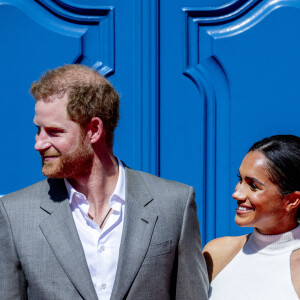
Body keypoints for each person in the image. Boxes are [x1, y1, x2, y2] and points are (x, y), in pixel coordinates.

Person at [0, 64, 208, 300]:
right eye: (38, 130)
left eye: (54, 131)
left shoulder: (173, 205)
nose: (39, 143)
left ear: (94, 130)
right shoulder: (15, 214)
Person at [203, 135, 300, 299]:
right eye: (240, 179)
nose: (237, 193)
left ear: (291, 201)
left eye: (253, 186)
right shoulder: (217, 253)